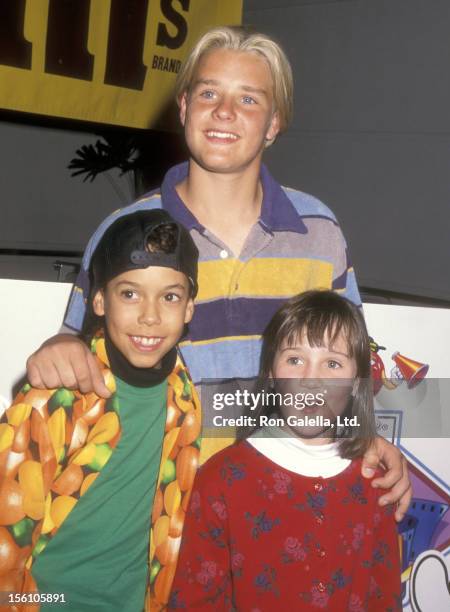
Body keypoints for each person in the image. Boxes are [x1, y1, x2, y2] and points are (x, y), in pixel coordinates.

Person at [25, 26, 411, 517]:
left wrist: (366, 438)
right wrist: (63, 348)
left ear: (274, 123)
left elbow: (351, 363)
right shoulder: (122, 231)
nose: (225, 111)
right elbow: (80, 362)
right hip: (161, 519)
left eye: (249, 99)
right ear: (184, 107)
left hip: (289, 512)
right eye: (209, 92)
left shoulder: (320, 231)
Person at [0, 210, 202, 610]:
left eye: (170, 296)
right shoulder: (56, 396)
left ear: (190, 309)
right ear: (97, 300)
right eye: (129, 293)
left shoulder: (184, 398)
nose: (150, 315)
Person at [169, 290, 402, 611]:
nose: (311, 380)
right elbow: (195, 601)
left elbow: (385, 598)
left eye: (332, 363)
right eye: (295, 360)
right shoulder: (221, 480)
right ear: (270, 375)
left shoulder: (375, 483)